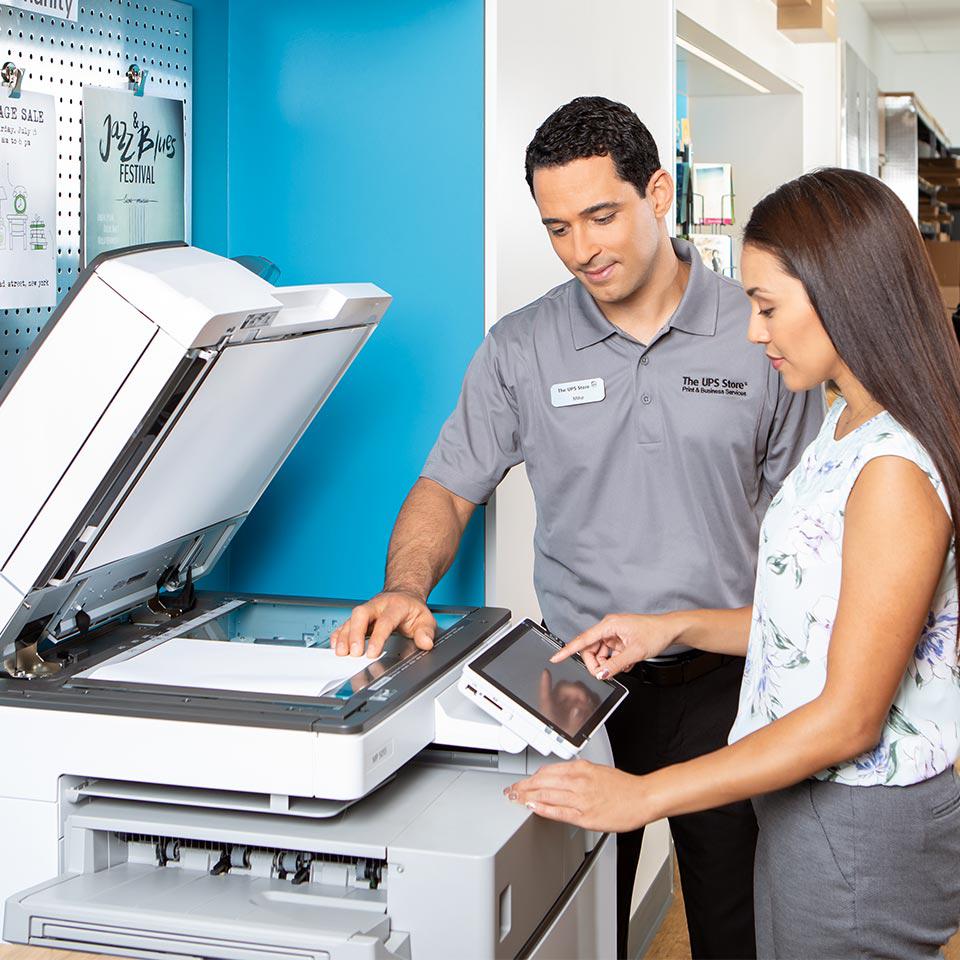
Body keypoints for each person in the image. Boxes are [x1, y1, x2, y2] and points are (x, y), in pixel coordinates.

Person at [331, 96, 823, 959]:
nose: (582, 249)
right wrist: (405, 588)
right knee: (578, 921)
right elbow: (447, 489)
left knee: (735, 923)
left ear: (659, 194)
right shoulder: (521, 347)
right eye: (557, 226)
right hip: (575, 684)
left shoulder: (761, 334)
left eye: (601, 216)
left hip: (731, 682)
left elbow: (810, 524)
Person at [507, 167, 960, 959]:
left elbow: (852, 716)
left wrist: (641, 797)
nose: (754, 332)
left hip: (860, 817)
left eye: (768, 307)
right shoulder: (848, 419)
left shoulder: (892, 469)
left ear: (843, 295)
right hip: (808, 798)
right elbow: (818, 623)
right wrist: (669, 625)